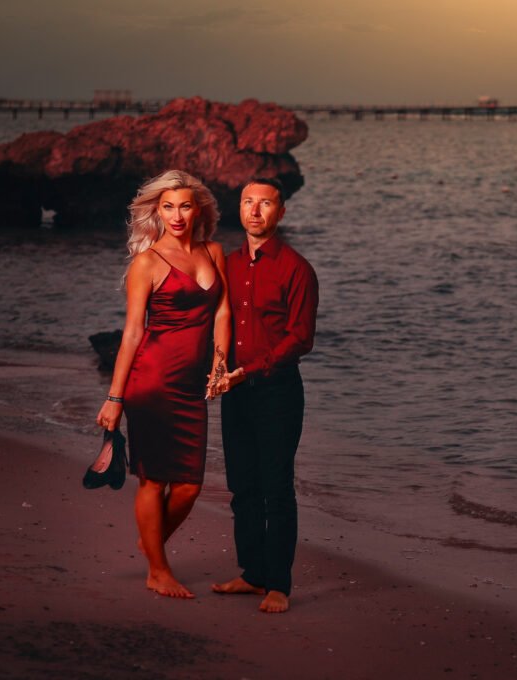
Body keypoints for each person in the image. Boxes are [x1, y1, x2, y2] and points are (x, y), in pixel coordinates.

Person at [95, 169, 230, 599]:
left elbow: (223, 312)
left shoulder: (213, 251)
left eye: (184, 206)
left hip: (192, 385)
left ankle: (151, 542)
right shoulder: (148, 262)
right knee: (153, 479)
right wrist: (114, 398)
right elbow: (133, 333)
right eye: (168, 207)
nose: (176, 215)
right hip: (152, 381)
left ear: (198, 210)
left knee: (190, 485)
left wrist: (220, 365)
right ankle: (157, 569)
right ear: (157, 211)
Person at [209, 177, 318, 613]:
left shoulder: (296, 269)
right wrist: (217, 368)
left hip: (277, 392)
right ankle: (253, 574)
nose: (255, 211)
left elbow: (301, 338)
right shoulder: (228, 265)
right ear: (239, 209)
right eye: (247, 202)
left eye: (265, 203)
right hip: (235, 392)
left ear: (281, 212)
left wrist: (248, 371)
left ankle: (278, 586)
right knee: (242, 486)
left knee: (277, 488)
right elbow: (217, 321)